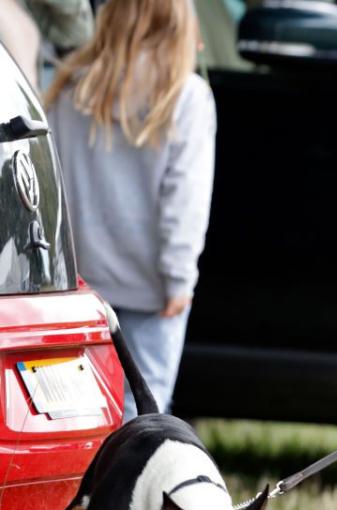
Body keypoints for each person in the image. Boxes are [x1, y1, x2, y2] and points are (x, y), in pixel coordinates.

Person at [46, 0, 216, 420]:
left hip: (81, 284)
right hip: (153, 288)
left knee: (78, 409)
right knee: (144, 410)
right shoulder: (186, 96)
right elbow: (184, 198)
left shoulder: (70, 86)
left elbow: (55, 182)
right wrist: (179, 278)